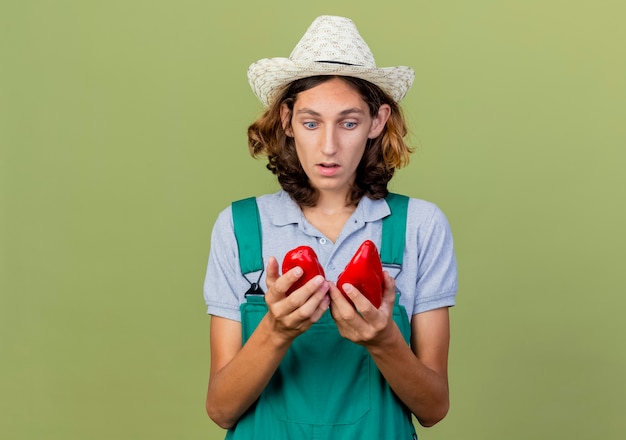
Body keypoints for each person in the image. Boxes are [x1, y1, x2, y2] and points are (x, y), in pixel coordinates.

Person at [203, 15, 458, 439]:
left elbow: (433, 408)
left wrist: (383, 340)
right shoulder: (239, 226)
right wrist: (275, 330)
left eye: (349, 122)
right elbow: (221, 409)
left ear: (377, 122)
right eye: (310, 122)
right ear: (286, 120)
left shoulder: (419, 226)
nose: (328, 146)